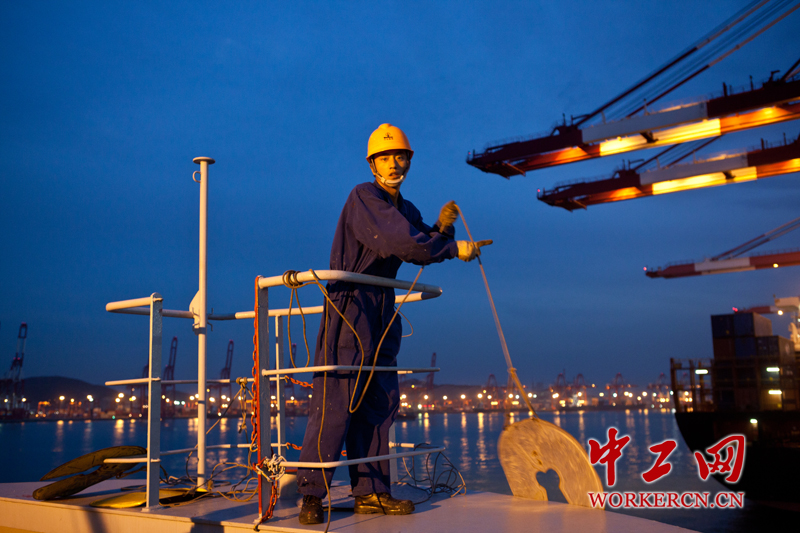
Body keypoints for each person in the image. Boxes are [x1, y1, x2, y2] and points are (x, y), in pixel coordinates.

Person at [296, 123, 491, 525]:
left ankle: (371, 493)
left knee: (378, 404)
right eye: (385, 157)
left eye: (400, 156)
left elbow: (420, 239)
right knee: (335, 405)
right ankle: (311, 495)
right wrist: (451, 248)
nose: (394, 164)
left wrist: (443, 230)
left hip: (382, 308)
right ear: (372, 164)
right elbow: (400, 242)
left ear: (409, 162)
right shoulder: (364, 197)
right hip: (350, 308)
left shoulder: (405, 208)